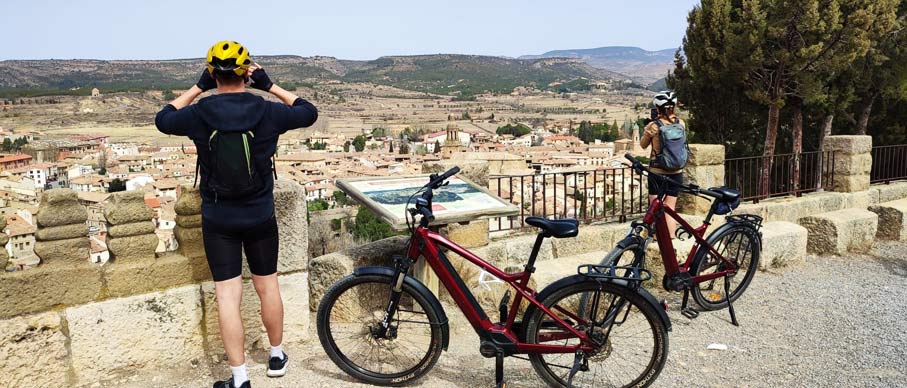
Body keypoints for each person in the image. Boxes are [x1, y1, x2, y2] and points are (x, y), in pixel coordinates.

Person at [155, 40, 318, 388]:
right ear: (247, 72)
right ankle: (276, 357)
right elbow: (307, 111)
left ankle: (240, 378)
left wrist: (199, 87)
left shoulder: (200, 114)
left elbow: (163, 118)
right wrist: (270, 85)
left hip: (219, 217)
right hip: (260, 214)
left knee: (228, 296)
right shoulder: (267, 111)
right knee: (267, 286)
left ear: (212, 73)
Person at [640, 90, 684, 235]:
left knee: (655, 206)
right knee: (670, 209)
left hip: (657, 172)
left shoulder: (654, 126)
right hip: (677, 172)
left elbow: (643, 145)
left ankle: (655, 239)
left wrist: (647, 128)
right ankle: (671, 240)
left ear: (658, 108)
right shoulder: (681, 123)